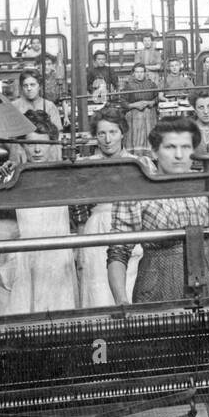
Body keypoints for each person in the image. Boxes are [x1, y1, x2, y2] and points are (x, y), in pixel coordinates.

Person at [107, 118, 209, 302]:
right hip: (157, 284)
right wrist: (121, 301)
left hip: (208, 279)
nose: (179, 155)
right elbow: (118, 251)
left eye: (186, 147)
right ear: (155, 151)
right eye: (170, 147)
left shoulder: (204, 183)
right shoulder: (137, 192)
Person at [0, 110, 79, 315]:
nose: (38, 150)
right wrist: (0, 178)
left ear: (53, 144)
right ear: (22, 145)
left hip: (55, 257)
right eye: (31, 144)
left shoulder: (64, 178)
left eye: (44, 144)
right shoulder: (9, 177)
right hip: (21, 258)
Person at [73, 109, 144, 308]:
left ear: (123, 132)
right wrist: (80, 248)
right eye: (101, 133)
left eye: (113, 132)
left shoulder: (138, 164)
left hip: (131, 231)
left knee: (129, 288)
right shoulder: (86, 166)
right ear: (95, 136)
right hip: (96, 230)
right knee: (98, 292)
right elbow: (79, 212)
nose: (107, 139)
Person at [121, 62, 159, 155]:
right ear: (133, 73)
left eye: (141, 72)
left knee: (149, 136)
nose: (139, 74)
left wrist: (151, 102)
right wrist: (134, 105)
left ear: (145, 73)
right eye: (137, 72)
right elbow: (122, 102)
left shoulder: (151, 84)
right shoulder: (128, 86)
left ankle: (151, 156)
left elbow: (158, 97)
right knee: (136, 138)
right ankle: (135, 156)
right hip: (134, 118)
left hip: (149, 117)